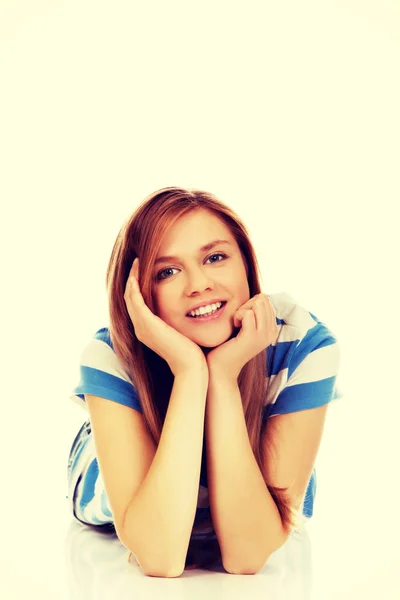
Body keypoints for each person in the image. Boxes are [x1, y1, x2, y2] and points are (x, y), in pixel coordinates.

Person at [66, 186, 343, 577]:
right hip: (123, 452)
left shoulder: (303, 342)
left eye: (215, 257)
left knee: (282, 503)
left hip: (253, 458)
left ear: (246, 264)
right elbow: (160, 559)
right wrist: (190, 372)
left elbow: (248, 556)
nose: (198, 285)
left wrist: (224, 376)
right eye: (167, 272)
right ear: (139, 293)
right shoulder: (111, 355)